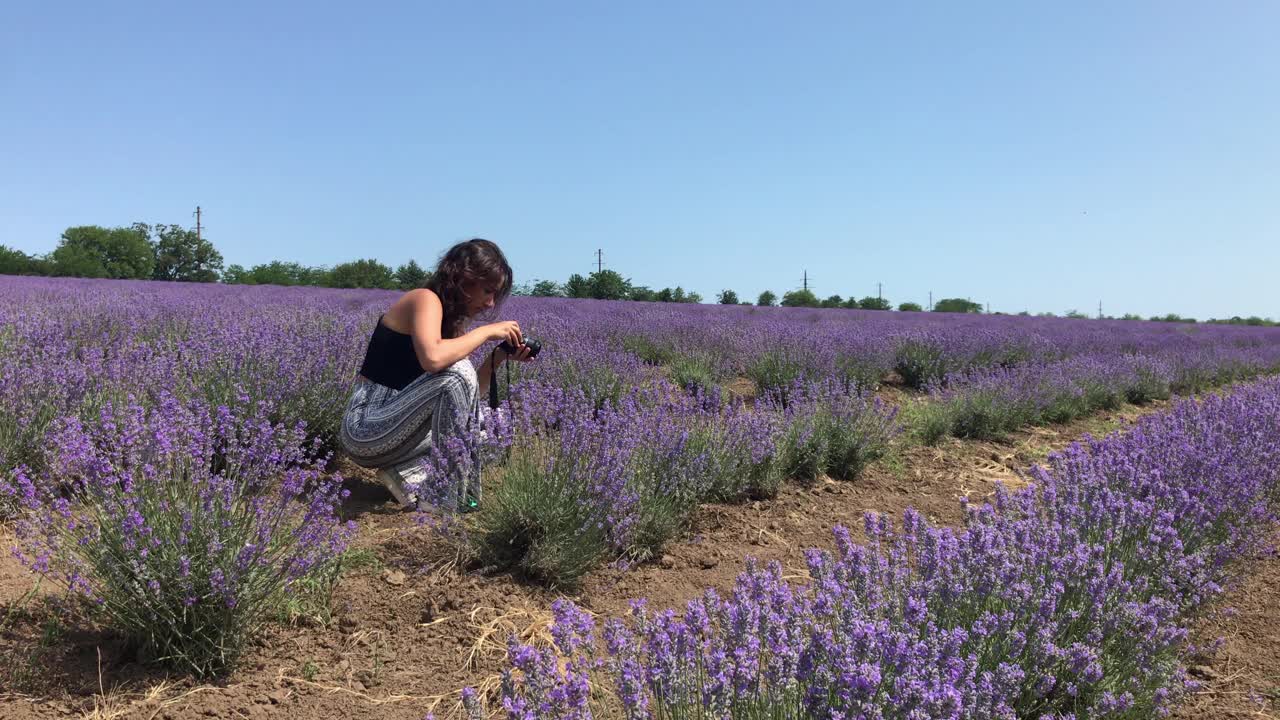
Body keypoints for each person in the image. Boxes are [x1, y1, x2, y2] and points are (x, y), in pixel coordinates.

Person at [338, 238, 533, 512]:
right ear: (465, 278)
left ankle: (406, 474)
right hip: (366, 427)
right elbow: (433, 359)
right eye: (488, 291)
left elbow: (464, 395)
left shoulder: (452, 323)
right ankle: (441, 497)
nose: (490, 304)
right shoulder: (424, 298)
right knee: (458, 375)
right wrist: (487, 333)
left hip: (403, 430)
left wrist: (498, 357)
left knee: (497, 430)